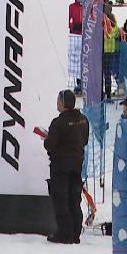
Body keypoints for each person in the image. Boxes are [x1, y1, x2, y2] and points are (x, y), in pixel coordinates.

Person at [42, 89, 89, 244]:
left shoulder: (58, 122)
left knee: (61, 199)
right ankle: (75, 233)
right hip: (77, 163)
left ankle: (64, 234)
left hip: (60, 165)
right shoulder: (83, 120)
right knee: (74, 199)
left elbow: (50, 145)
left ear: (62, 103)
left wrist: (47, 139)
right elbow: (85, 140)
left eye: (58, 100)